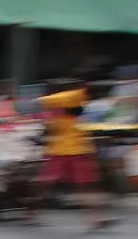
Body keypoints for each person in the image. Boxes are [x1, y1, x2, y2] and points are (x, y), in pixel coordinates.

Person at [32, 80, 116, 230]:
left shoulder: (59, 109)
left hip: (69, 151)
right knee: (83, 187)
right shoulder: (64, 105)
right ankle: (96, 219)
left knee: (52, 185)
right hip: (67, 152)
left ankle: (96, 219)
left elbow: (49, 124)